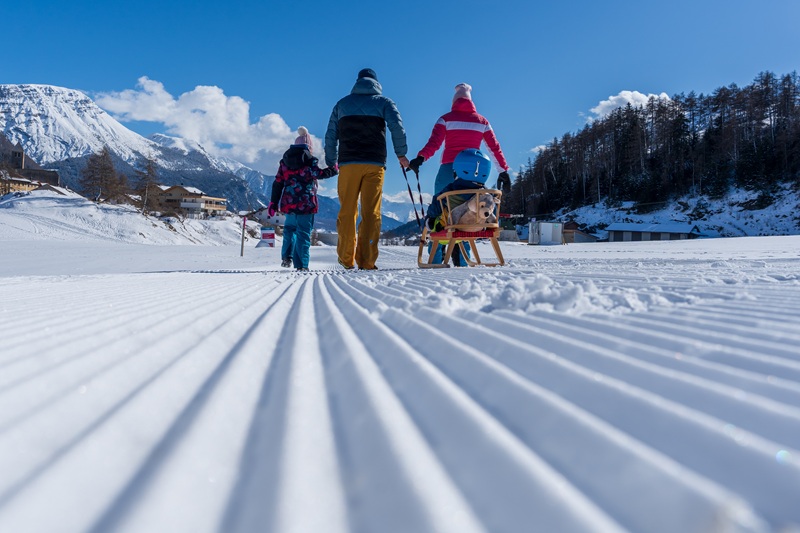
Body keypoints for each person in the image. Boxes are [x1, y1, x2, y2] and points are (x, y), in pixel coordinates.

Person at [324, 68, 409, 270]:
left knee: (347, 211)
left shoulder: (341, 104)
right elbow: (397, 126)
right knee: (371, 213)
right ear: (376, 83)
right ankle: (367, 261)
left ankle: (346, 259)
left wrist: (331, 161)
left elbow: (330, 134)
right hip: (375, 162)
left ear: (357, 82)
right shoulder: (385, 103)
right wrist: (401, 153)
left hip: (348, 163)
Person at [408, 83, 511, 196]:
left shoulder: (445, 120)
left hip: (450, 166)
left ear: (454, 101)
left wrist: (421, 158)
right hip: (474, 169)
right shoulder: (483, 122)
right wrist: (503, 171)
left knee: (440, 200)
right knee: (474, 203)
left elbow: (434, 143)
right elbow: (494, 147)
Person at [268, 126, 337, 271]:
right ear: (308, 147)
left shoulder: (284, 162)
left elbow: (278, 183)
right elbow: (320, 174)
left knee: (289, 231)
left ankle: (287, 256)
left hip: (288, 204)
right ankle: (301, 265)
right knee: (303, 234)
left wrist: (273, 202)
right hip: (306, 206)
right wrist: (334, 169)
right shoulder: (309, 160)